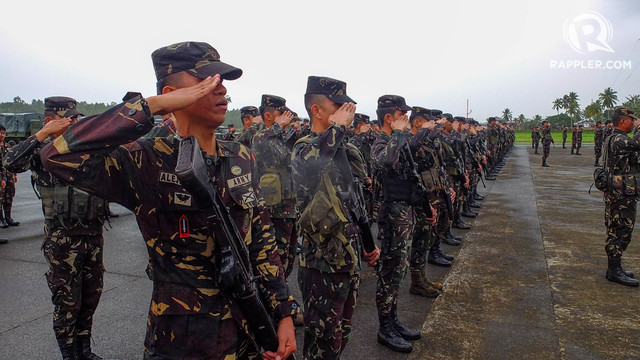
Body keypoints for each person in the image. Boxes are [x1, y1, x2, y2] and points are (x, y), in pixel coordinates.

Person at [40, 41, 296, 360]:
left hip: (249, 332)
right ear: (171, 91)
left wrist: (283, 312)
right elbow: (56, 155)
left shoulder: (242, 156)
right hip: (183, 342)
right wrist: (151, 106)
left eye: (222, 81)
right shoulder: (147, 160)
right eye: (206, 81)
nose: (220, 89)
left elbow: (262, 241)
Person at [4, 97, 106, 360]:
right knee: (67, 302)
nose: (74, 122)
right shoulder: (43, 151)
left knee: (90, 298)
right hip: (63, 240)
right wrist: (41, 134)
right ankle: (69, 354)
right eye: (68, 117)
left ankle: (85, 350)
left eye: (75, 117)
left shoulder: (84, 148)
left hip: (93, 236)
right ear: (51, 120)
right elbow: (10, 163)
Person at [292, 75, 380, 360]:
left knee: (341, 336)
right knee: (322, 341)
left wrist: (368, 244)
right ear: (317, 111)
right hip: (321, 263)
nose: (346, 110)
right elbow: (308, 168)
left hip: (347, 258)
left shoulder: (343, 148)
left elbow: (355, 200)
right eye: (338, 104)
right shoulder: (303, 146)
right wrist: (339, 129)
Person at [371, 94, 421, 353]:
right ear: (389, 118)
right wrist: (399, 135)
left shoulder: (398, 141)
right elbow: (387, 161)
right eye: (403, 115)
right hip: (390, 218)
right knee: (389, 271)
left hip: (404, 214)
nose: (407, 120)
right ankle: (384, 327)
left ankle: (394, 319)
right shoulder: (380, 142)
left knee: (399, 270)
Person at [252, 94, 298, 277]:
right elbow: (261, 145)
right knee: (275, 256)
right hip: (274, 209)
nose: (287, 116)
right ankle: (273, 297)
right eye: (281, 113)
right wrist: (278, 127)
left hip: (291, 208)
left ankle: (282, 288)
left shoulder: (285, 137)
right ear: (269, 116)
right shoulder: (260, 136)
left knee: (289, 255)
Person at [602, 107, 640, 287]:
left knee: (617, 228)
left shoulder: (614, 138)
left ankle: (615, 268)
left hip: (620, 192)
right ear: (623, 121)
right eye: (632, 120)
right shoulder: (619, 140)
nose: (633, 123)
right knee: (620, 229)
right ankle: (614, 270)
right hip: (620, 194)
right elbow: (637, 143)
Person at [0, 125, 19, 227]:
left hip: (9, 176)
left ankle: (8, 218)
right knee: (0, 198)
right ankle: (1, 219)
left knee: (9, 196)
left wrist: (14, 174)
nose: (2, 135)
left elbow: (12, 162)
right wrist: (3, 178)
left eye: (3, 133)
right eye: (0, 133)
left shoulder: (7, 147)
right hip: (1, 177)